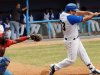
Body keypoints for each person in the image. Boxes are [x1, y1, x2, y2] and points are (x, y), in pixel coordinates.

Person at [49, 3, 100, 75]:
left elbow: (77, 12)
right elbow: (85, 19)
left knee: (83, 53)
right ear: (70, 11)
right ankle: (55, 67)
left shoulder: (63, 14)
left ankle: (92, 69)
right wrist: (93, 15)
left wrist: (88, 12)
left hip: (75, 39)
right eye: (74, 11)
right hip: (71, 41)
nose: (75, 12)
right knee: (71, 60)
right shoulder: (70, 18)